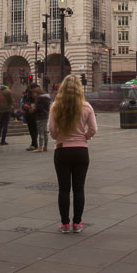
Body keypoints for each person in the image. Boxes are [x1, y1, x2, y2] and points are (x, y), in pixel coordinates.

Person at [48, 75, 98, 234]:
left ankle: (64, 224)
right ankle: (77, 223)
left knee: (63, 189)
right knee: (79, 188)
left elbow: (52, 129)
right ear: (79, 88)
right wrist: (84, 137)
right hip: (81, 151)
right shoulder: (86, 107)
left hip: (62, 149)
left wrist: (59, 137)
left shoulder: (56, 106)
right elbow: (93, 129)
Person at [22, 83, 39, 151]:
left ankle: (34, 144)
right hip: (29, 114)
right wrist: (26, 106)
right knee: (32, 129)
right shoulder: (28, 94)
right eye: (35, 88)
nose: (36, 90)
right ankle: (34, 144)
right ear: (32, 88)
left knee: (34, 129)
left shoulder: (36, 94)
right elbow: (24, 103)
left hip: (34, 114)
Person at [33, 87, 51, 152]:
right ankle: (45, 146)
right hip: (46, 115)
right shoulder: (47, 98)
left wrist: (33, 109)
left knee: (40, 132)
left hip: (40, 116)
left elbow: (39, 108)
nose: (34, 94)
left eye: (34, 93)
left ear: (37, 93)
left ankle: (40, 147)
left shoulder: (39, 99)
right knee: (45, 131)